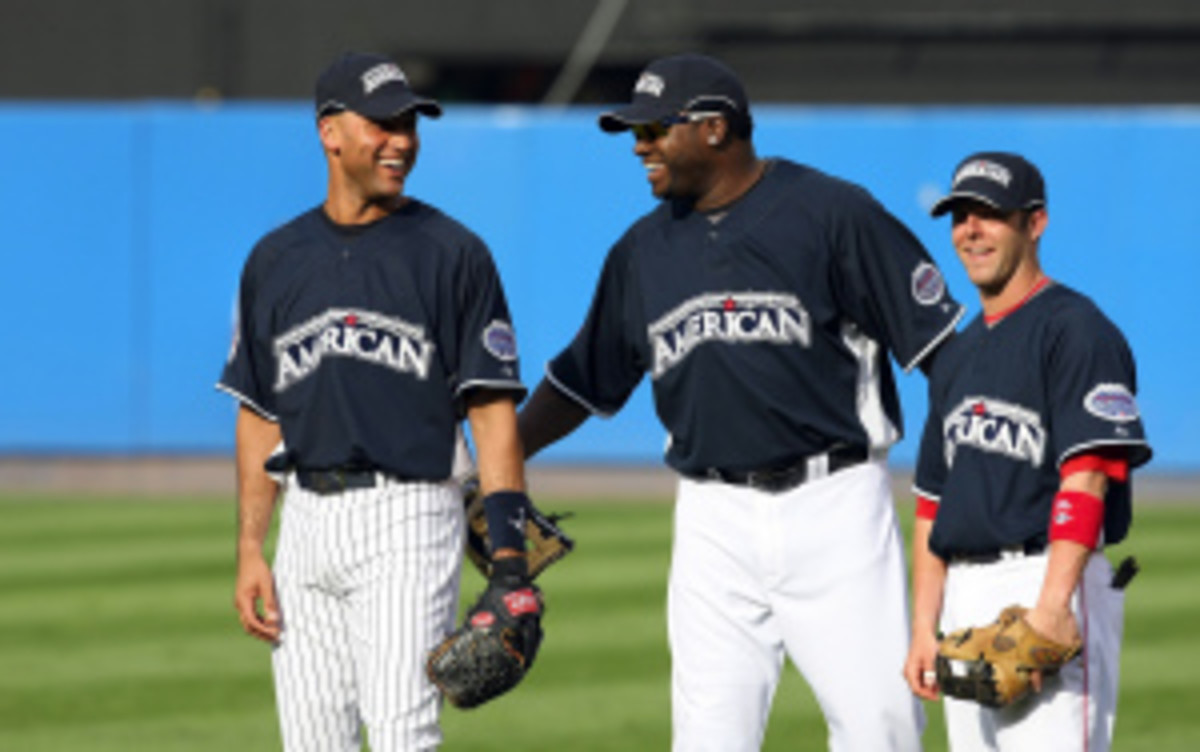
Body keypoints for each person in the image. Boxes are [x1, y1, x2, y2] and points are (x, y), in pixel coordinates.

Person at [517, 53, 963, 751]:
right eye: (634, 132)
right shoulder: (641, 253)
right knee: (707, 737)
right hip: (711, 519)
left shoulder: (832, 214)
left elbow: (944, 352)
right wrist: (496, 456)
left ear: (715, 129)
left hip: (835, 505)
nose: (639, 146)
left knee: (881, 727)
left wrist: (984, 463)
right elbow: (582, 380)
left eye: (655, 130)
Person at [217, 51, 537, 751]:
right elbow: (259, 412)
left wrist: (510, 555)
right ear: (331, 133)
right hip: (303, 518)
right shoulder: (275, 260)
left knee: (401, 732)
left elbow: (490, 410)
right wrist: (250, 547)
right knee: (310, 741)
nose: (402, 139)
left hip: (409, 513)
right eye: (384, 122)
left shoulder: (452, 253)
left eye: (410, 123)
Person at [902, 151, 1152, 751]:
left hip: (1043, 581)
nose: (971, 230)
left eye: (990, 215)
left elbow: (1089, 473)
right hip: (964, 591)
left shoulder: (1076, 331)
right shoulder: (957, 356)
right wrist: (922, 628)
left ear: (1034, 223)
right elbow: (933, 504)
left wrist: (1053, 606)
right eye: (960, 215)